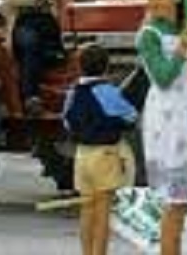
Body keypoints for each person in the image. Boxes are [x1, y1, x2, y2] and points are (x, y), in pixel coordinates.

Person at [135, 0, 187, 255]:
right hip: (166, 115)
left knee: (183, 201)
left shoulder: (181, 27)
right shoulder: (148, 35)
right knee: (173, 199)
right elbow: (163, 77)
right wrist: (180, 50)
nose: (154, 2)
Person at [63, 43, 138, 255]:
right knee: (103, 213)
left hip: (82, 155)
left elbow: (67, 122)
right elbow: (131, 116)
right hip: (105, 155)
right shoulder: (107, 92)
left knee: (87, 210)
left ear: (79, 67)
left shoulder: (72, 93)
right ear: (106, 67)